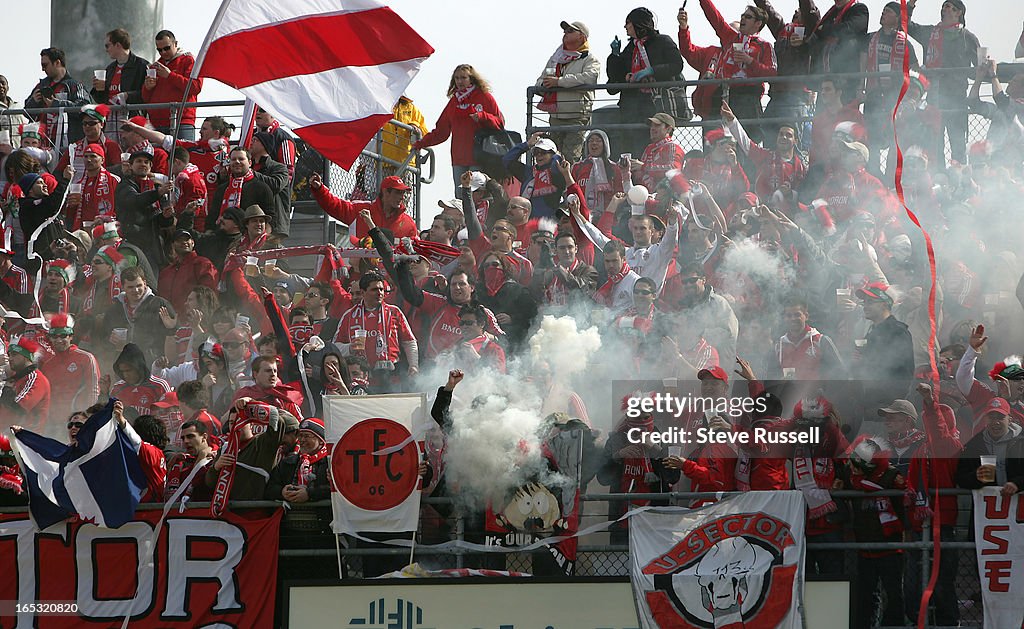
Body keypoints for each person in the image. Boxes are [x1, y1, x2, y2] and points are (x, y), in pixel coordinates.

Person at [687, 2, 777, 143]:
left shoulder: (764, 46)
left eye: (748, 17)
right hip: (726, 96)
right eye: (742, 16)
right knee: (720, 141)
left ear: (758, 23)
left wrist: (750, 61)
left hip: (749, 99)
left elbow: (772, 73)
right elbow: (715, 18)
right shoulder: (730, 37)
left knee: (748, 142)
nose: (743, 19)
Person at [906, 0, 980, 164]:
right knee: (934, 143)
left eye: (948, 7)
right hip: (934, 97)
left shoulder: (967, 37)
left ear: (959, 12)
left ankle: (959, 180)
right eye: (943, 7)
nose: (944, 9)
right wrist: (911, 3)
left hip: (957, 98)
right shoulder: (930, 32)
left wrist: (992, 71)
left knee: (958, 144)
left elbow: (978, 69)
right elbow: (906, 24)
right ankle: (937, 178)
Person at [606, 7, 684, 156]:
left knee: (655, 148)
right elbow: (613, 81)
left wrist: (652, 71)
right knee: (630, 148)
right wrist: (614, 57)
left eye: (628, 23)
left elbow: (677, 65)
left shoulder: (663, 41)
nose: (625, 27)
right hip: (631, 108)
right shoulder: (631, 47)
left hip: (656, 105)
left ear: (639, 24)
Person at [414, 64, 505, 192]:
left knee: (476, 195)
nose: (460, 81)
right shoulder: (454, 102)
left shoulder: (484, 97)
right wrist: (420, 143)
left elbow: (500, 123)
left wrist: (482, 116)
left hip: (479, 156)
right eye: (457, 78)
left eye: (463, 77)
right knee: (460, 196)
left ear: (471, 79)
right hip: (459, 158)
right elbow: (441, 131)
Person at [332, 271, 419, 391]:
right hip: (363, 381)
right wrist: (350, 348)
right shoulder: (349, 316)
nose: (379, 293)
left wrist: (413, 365)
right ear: (363, 292)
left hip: (393, 378)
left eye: (381, 289)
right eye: (374, 290)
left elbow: (409, 341)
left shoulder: (394, 312)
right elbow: (335, 348)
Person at [863, 2, 921, 174]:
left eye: (887, 12)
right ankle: (874, 173)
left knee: (893, 138)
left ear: (896, 18)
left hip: (894, 97)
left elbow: (916, 69)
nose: (883, 14)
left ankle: (890, 176)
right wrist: (861, 87)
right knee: (872, 138)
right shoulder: (870, 38)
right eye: (883, 11)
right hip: (873, 95)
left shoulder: (905, 43)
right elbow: (861, 62)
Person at [535, 20, 602, 162]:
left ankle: (570, 184)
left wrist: (559, 82)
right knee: (552, 158)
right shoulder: (556, 58)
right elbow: (540, 80)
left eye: (571, 31)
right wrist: (544, 85)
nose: (565, 33)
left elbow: (589, 78)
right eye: (565, 31)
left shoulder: (590, 59)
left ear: (582, 37)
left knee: (570, 157)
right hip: (556, 117)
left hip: (577, 117)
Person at [721, 101, 805, 204]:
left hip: (789, 214)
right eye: (781, 134)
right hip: (763, 210)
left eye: (788, 135)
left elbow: (804, 194)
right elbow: (746, 143)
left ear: (795, 141)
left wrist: (789, 193)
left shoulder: (800, 168)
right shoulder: (765, 156)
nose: (784, 137)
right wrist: (732, 122)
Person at [309, 171, 417, 241]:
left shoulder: (409, 223)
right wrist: (320, 190)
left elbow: (416, 252)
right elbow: (335, 206)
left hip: (393, 276)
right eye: (398, 192)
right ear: (385, 192)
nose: (402, 197)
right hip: (360, 273)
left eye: (403, 193)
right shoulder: (361, 210)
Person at [100, 266, 176, 364]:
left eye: (139, 286)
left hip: (153, 362)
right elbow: (103, 338)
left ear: (145, 283)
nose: (135, 290)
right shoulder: (115, 309)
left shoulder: (159, 304)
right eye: (130, 287)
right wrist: (111, 340)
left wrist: (171, 328)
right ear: (122, 287)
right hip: (124, 363)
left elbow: (176, 334)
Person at [39, 314, 100, 427]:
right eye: (54, 336)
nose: (58, 340)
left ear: (71, 336)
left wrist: (88, 418)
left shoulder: (86, 358)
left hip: (79, 421)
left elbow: (94, 390)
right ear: (50, 338)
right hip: (54, 423)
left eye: (63, 336)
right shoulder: (47, 364)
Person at [115, 150, 172, 268]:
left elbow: (164, 222)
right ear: (131, 165)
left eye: (147, 162)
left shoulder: (157, 187)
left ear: (151, 167)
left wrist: (166, 216)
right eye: (139, 161)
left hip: (153, 246)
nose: (143, 164)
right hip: (132, 242)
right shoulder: (125, 185)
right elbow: (135, 201)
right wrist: (158, 193)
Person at [25, 47, 91, 148]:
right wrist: (33, 101)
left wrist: (56, 104)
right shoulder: (41, 85)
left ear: (57, 63)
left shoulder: (74, 85)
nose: (42, 69)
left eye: (45, 65)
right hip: (41, 144)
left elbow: (84, 108)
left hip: (66, 144)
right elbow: (26, 112)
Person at [141, 30, 202, 139]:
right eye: (159, 50)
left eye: (167, 48)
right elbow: (145, 98)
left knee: (182, 154)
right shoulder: (155, 66)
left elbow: (195, 87)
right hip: (157, 123)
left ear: (176, 44)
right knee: (160, 155)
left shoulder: (189, 60)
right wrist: (147, 88)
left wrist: (170, 75)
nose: (163, 52)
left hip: (181, 121)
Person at [91, 28, 149, 139]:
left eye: (107, 46)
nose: (106, 50)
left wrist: (127, 95)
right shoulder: (110, 68)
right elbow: (102, 100)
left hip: (133, 122)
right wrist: (99, 89)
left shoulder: (141, 65)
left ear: (118, 45)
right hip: (111, 122)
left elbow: (148, 94)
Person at [209, 148, 276, 233]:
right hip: (221, 238)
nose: (237, 162)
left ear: (250, 163)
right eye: (233, 159)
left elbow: (270, 216)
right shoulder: (222, 189)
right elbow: (212, 216)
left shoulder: (261, 187)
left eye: (241, 159)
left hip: (249, 239)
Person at [502, 133, 567, 220]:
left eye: (543, 152)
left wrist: (556, 156)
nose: (539, 155)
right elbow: (507, 160)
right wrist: (527, 144)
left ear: (553, 154)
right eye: (536, 152)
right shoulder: (528, 172)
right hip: (527, 222)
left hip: (549, 223)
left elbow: (557, 161)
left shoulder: (557, 172)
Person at [803, 0, 869, 78]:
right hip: (823, 71)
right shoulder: (832, 12)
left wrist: (826, 29)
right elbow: (817, 32)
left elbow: (850, 28)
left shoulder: (859, 9)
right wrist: (801, 42)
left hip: (846, 72)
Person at [158, 229, 218, 313]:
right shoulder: (166, 272)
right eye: (179, 240)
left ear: (193, 243)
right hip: (169, 321)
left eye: (187, 239)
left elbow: (209, 295)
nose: (184, 242)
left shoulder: (203, 264)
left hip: (195, 320)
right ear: (172, 245)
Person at [571, 130, 625, 222]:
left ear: (605, 145)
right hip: (582, 217)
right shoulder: (577, 167)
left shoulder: (614, 168)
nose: (594, 143)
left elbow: (620, 193)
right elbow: (571, 190)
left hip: (607, 218)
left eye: (598, 140)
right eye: (591, 140)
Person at [0, 338, 51, 434]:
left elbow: (19, 408)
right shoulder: (15, 378)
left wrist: (7, 391)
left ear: (26, 356)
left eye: (14, 354)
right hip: (8, 435)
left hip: (25, 440)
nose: (10, 358)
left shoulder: (35, 378)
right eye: (9, 355)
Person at [249, 131, 293, 241]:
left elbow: (276, 185)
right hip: (250, 225)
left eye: (255, 140)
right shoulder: (251, 168)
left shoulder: (279, 168)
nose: (251, 143)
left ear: (264, 145)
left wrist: (252, 174)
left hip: (273, 227)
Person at [629, 112, 685, 191]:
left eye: (657, 125)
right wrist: (630, 169)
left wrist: (643, 167)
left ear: (668, 129)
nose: (652, 128)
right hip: (644, 196)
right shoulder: (649, 148)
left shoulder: (672, 147)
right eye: (651, 125)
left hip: (667, 197)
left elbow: (673, 169)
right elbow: (641, 172)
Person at [165, 419, 215, 501]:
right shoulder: (181, 461)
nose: (186, 441)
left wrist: (201, 460)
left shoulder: (215, 458)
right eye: (183, 438)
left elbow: (201, 484)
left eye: (190, 436)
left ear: (204, 437)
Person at [254, 107, 297, 178]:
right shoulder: (251, 135)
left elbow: (288, 171)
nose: (257, 113)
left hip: (275, 186)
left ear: (272, 114)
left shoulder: (283, 138)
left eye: (262, 110)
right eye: (255, 110)